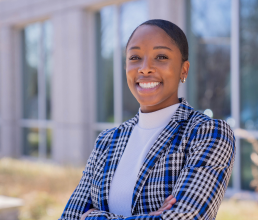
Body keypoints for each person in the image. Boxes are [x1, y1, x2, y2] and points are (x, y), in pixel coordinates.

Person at [59, 19, 235, 220]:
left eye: (161, 57)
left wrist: (91, 217)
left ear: (183, 70)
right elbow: (69, 217)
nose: (145, 68)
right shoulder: (107, 140)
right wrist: (154, 216)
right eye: (135, 57)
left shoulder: (207, 133)